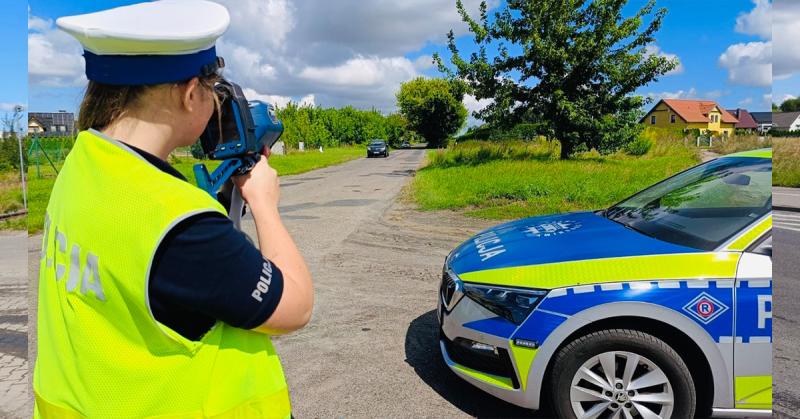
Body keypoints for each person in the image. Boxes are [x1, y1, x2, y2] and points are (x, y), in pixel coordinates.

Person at [33, 1, 313, 418]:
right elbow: (296, 305)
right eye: (210, 89)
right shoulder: (178, 222)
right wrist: (264, 203)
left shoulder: (83, 165)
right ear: (188, 95)